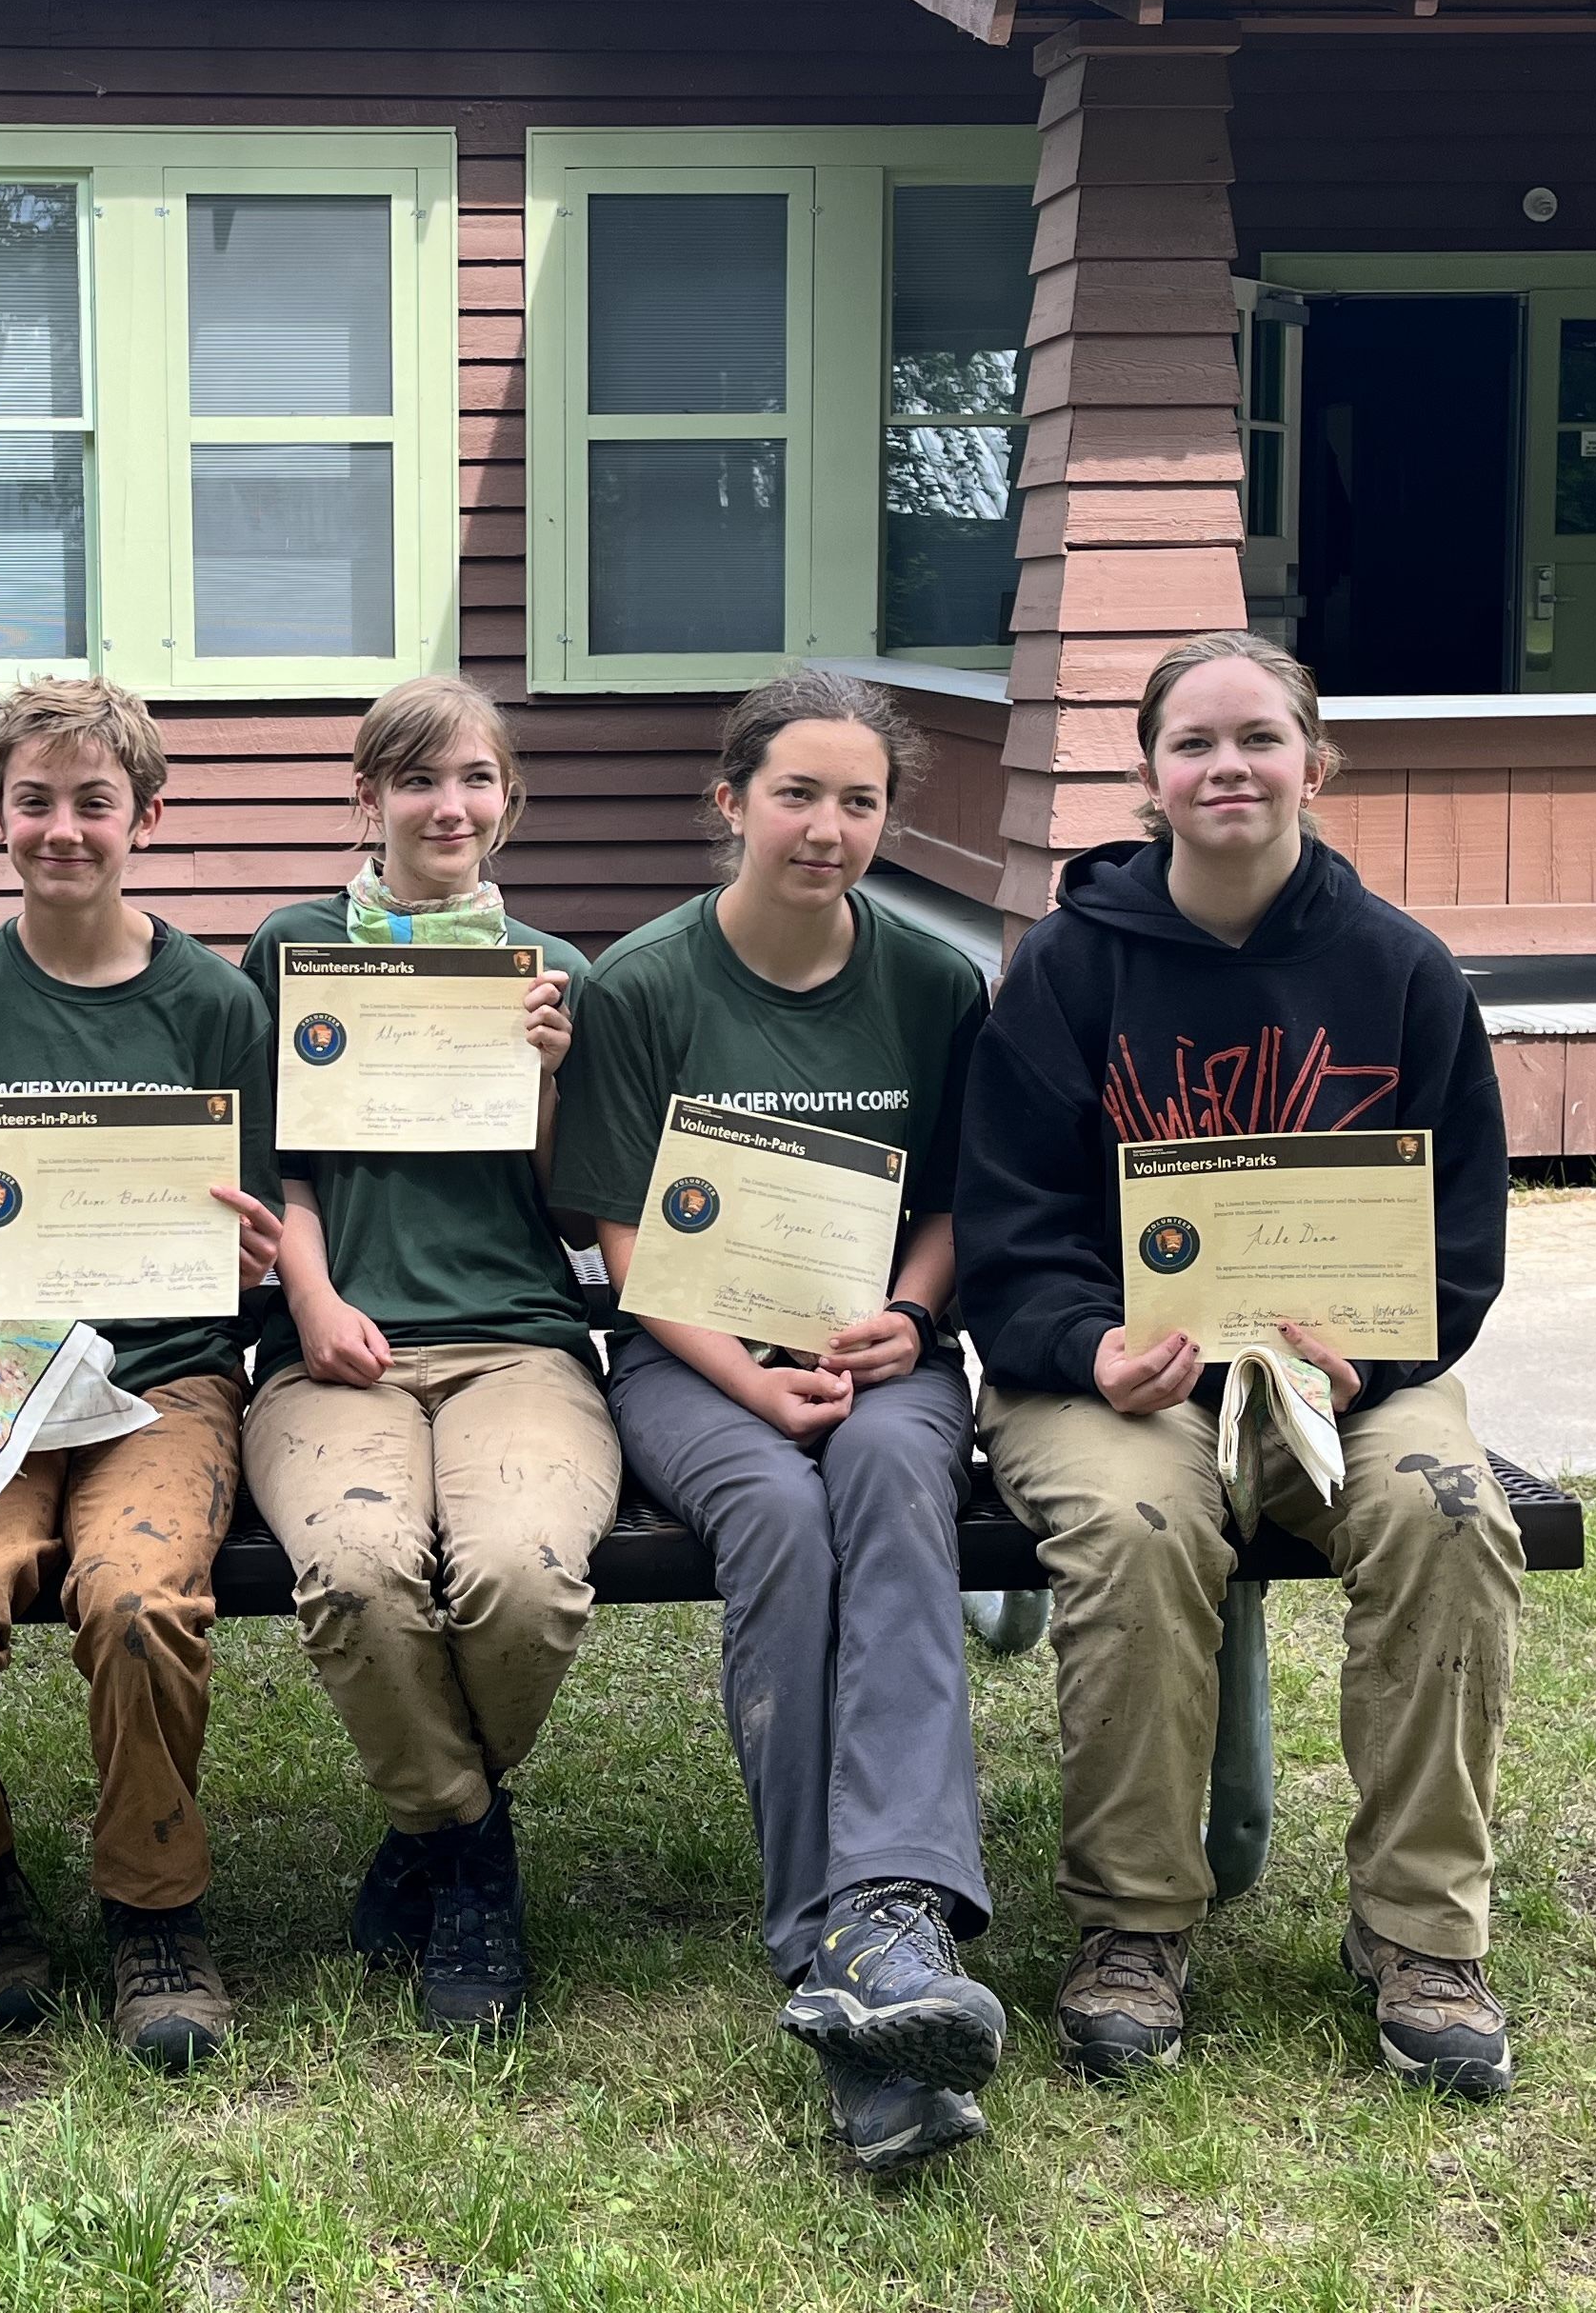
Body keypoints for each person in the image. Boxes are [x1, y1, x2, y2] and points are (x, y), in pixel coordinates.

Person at [952, 629, 1522, 2100]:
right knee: (1140, 1532)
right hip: (1109, 1385)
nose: (1228, 767)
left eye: (1258, 738)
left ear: (1313, 763)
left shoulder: (1402, 971)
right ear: (1150, 775)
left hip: (1350, 1376)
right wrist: (1091, 1346)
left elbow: (1457, 1242)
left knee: (1447, 1513)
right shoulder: (1068, 971)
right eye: (1194, 743)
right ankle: (1134, 1926)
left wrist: (1373, 1353)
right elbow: (1010, 1233)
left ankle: (1421, 1933)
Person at [554, 668, 1001, 2174]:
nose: (826, 827)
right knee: (782, 1521)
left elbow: (950, 1207)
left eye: (860, 800)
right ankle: (854, 1941)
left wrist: (915, 1320)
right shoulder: (647, 984)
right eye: (797, 794)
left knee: (885, 1487)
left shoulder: (936, 986)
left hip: (883, 1359)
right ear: (731, 800)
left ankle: (883, 1920)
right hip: (693, 1366)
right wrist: (745, 1380)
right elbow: (619, 1235)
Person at [0, 680, 284, 2072]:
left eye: (93, 802)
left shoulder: (216, 1004)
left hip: (166, 1378)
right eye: (33, 801)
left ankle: (152, 1903)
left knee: (138, 1591)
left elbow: (258, 1207)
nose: (63, 829)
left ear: (145, 818)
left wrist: (246, 1254)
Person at [236, 675, 607, 2038]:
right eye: (416, 781)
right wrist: (315, 1299)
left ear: (509, 802)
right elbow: (277, 1169)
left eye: (474, 781)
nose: (447, 807)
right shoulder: (293, 948)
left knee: (522, 1572)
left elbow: (578, 1214)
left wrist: (558, 1078)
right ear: (367, 798)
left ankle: (429, 1833)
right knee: (359, 1567)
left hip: (518, 1342)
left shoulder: (557, 973)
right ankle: (471, 1848)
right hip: (338, 1341)